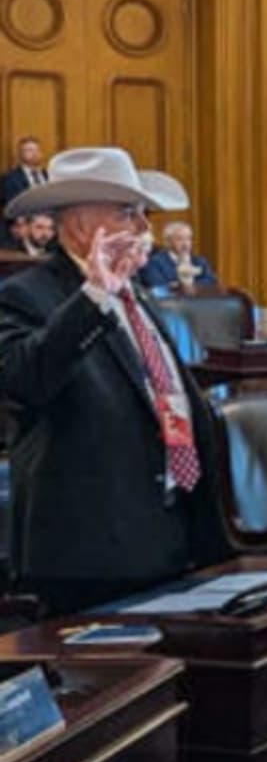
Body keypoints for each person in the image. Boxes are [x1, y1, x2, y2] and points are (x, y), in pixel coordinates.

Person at [0, 147, 230, 615]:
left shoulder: (136, 293)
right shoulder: (25, 295)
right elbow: (24, 378)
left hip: (169, 533)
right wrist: (94, 296)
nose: (146, 230)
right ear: (84, 226)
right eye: (130, 214)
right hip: (91, 550)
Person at [136, 221, 217, 290]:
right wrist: (183, 286)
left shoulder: (200, 261)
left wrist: (180, 285)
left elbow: (211, 282)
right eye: (180, 239)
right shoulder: (154, 262)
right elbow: (158, 286)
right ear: (168, 242)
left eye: (188, 238)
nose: (185, 243)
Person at [0, 136, 49, 209]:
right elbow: (10, 207)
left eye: (37, 150)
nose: (34, 153)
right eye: (29, 150)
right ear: (20, 154)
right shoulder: (10, 179)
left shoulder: (49, 175)